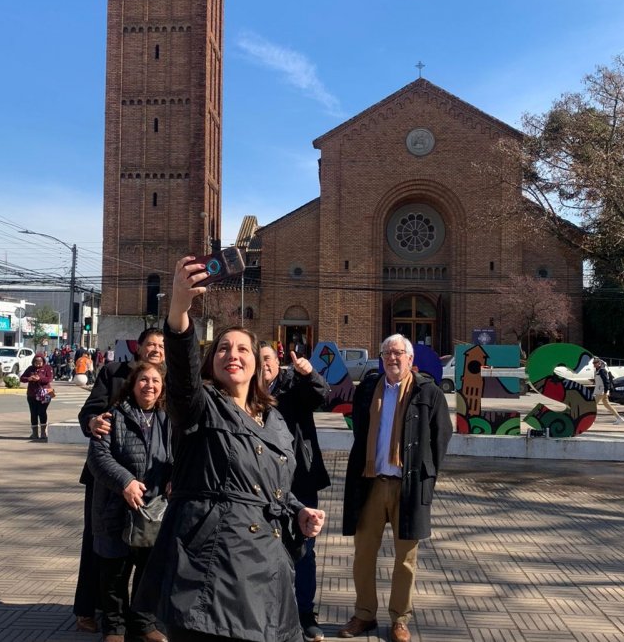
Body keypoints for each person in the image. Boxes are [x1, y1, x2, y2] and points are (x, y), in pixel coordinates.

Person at [135, 255, 326, 642]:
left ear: (258, 363)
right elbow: (184, 375)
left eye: (243, 349)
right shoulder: (199, 405)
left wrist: (297, 512)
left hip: (267, 570)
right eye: (223, 348)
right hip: (210, 570)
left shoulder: (273, 420)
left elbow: (269, 488)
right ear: (211, 361)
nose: (233, 355)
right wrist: (179, 309)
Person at [338, 334, 452, 642]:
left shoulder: (427, 391)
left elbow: (441, 435)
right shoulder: (368, 391)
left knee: (405, 559)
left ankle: (400, 619)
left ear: (410, 359)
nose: (393, 358)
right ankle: (364, 615)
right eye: (388, 353)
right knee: (363, 554)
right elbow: (360, 431)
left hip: (408, 486)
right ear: (381, 358)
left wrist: (426, 473)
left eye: (399, 353)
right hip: (372, 483)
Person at [72, 328, 165, 633]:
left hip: (153, 484)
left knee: (149, 553)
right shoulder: (114, 372)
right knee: (100, 546)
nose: (156, 349)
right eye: (150, 344)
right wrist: (92, 421)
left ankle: (142, 619)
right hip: (109, 480)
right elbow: (90, 411)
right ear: (139, 348)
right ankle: (89, 609)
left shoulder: (172, 378)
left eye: (161, 345)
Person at [260, 342, 330, 642]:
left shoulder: (292, 385)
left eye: (267, 358)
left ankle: (304, 613)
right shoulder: (244, 392)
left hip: (299, 480)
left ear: (277, 361)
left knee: (303, 550)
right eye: (257, 358)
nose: (263, 364)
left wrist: (309, 373)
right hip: (260, 481)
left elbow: (321, 396)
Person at [19, 353, 54, 442]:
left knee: (42, 412)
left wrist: (39, 379)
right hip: (32, 394)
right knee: (33, 413)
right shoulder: (30, 369)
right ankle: (34, 433)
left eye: (40, 361)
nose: (38, 363)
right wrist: (29, 379)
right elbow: (22, 378)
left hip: (46, 393)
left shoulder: (47, 368)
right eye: (36, 361)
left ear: (43, 361)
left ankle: (43, 432)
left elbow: (49, 379)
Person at [593, 358, 624, 424]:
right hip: (601, 390)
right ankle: (619, 418)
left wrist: (605, 391)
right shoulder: (598, 371)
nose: (594, 364)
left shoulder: (602, 371)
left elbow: (606, 381)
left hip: (601, 391)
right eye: (594, 363)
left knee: (593, 405)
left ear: (599, 363)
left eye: (596, 363)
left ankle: (591, 420)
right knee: (607, 405)